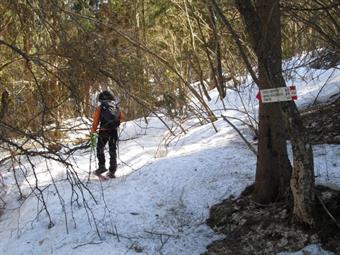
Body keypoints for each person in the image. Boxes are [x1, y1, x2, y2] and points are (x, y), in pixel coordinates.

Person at [90, 90, 125, 178]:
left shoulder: (100, 107)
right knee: (112, 149)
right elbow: (122, 118)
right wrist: (115, 124)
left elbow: (96, 121)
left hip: (104, 131)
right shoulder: (115, 107)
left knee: (100, 148)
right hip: (113, 131)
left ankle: (102, 167)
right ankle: (112, 171)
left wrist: (93, 131)